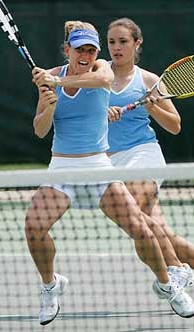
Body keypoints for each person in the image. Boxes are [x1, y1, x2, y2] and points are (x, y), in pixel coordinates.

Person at [25, 20, 194, 326]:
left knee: (141, 228)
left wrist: (57, 86)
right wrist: (48, 105)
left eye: (92, 49)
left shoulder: (103, 69)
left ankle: (169, 284)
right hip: (63, 167)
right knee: (33, 227)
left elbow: (102, 79)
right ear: (68, 50)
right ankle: (51, 285)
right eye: (80, 49)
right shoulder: (49, 78)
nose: (87, 55)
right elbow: (39, 131)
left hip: (103, 165)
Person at [106, 17, 194, 291]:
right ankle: (181, 267)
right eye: (111, 42)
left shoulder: (149, 80)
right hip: (108, 162)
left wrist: (153, 107)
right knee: (153, 229)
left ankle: (176, 270)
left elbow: (175, 126)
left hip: (143, 153)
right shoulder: (100, 75)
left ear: (136, 43)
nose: (116, 48)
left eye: (123, 41)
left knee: (130, 207)